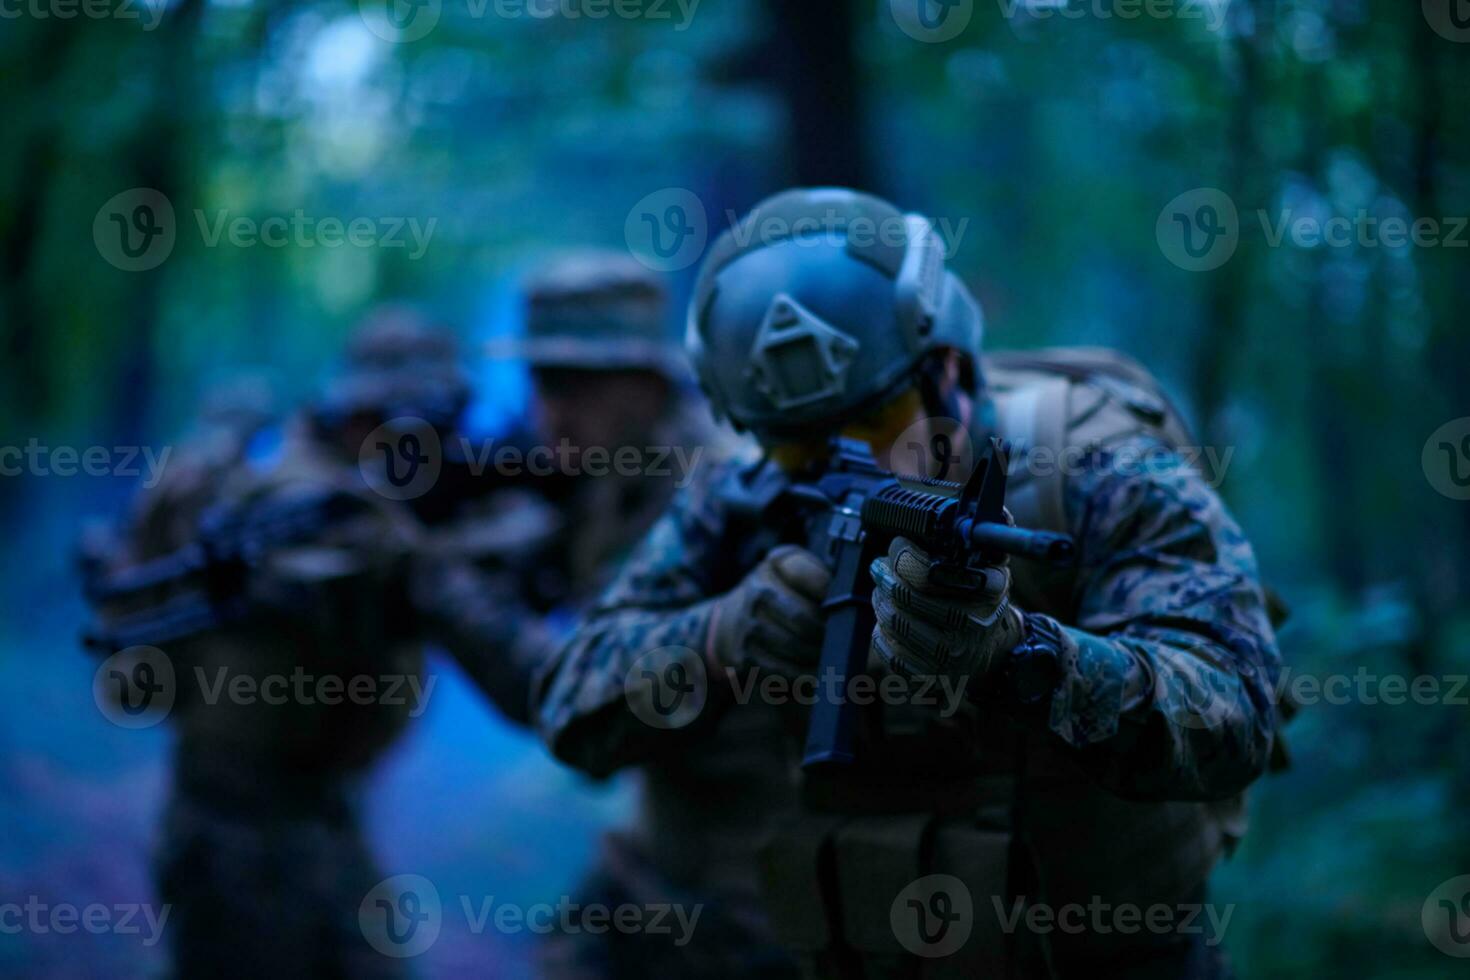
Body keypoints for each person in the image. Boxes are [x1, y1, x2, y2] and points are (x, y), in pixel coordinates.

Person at [534, 189, 1282, 978]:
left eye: (877, 427)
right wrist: (716, 638)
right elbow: (567, 703)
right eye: (799, 448)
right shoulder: (742, 495)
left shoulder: (1099, 467)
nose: (841, 466)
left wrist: (1024, 658)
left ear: (949, 367)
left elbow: (1232, 712)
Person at [85, 308, 482, 978]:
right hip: (235, 825)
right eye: (418, 426)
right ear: (361, 417)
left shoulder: (365, 494)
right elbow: (339, 565)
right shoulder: (296, 502)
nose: (435, 448)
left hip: (321, 811)